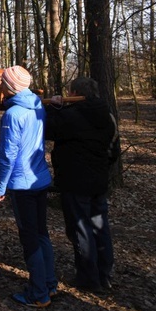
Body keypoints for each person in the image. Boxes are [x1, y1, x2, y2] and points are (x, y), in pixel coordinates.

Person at [45, 77, 119, 293]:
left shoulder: (71, 115)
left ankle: (89, 278)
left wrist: (54, 108)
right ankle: (104, 274)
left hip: (75, 183)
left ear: (76, 92)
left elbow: (49, 129)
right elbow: (113, 150)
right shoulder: (107, 115)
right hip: (98, 182)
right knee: (99, 227)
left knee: (81, 230)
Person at [0, 65, 56, 308]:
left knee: (30, 239)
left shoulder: (13, 114)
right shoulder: (38, 104)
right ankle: (49, 283)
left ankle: (38, 293)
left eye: (2, 83)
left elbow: (7, 155)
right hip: (40, 179)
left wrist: (0, 186)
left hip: (23, 184)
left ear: (9, 87)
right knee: (42, 234)